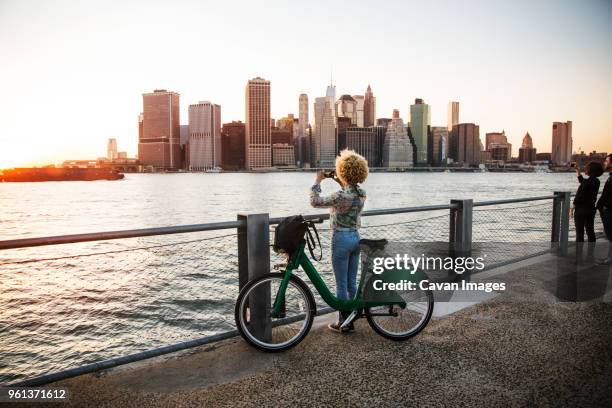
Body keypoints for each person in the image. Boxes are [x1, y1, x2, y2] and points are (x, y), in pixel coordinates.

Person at [310, 149, 368, 333]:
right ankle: (350, 318)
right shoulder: (361, 193)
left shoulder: (340, 196)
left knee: (341, 284)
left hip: (341, 239)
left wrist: (317, 181)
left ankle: (343, 322)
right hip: (355, 238)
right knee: (351, 283)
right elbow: (348, 192)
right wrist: (341, 181)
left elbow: (315, 201)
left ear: (342, 170)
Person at [572, 161, 603, 242]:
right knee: (590, 231)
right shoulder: (596, 181)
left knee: (580, 233)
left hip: (581, 209)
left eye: (587, 167)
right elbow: (582, 181)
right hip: (591, 209)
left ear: (590, 169)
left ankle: (579, 253)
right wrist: (577, 170)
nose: (585, 169)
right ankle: (591, 252)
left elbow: (580, 195)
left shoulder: (587, 182)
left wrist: (573, 206)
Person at [596, 154, 612, 262]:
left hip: (610, 211)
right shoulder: (610, 177)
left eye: (607, 161)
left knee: (611, 235)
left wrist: (606, 206)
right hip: (607, 210)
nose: (605, 163)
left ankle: (610, 258)